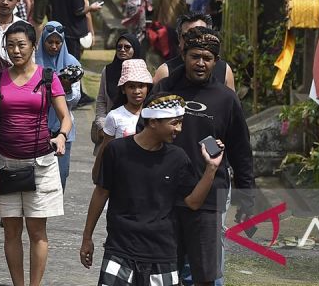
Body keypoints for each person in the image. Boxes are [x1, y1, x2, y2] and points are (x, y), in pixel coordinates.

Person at [80, 94, 224, 286]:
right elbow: (101, 192)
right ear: (153, 122)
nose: (179, 130)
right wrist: (87, 237)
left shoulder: (178, 158)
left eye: (180, 123)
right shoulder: (117, 150)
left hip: (162, 253)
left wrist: (211, 168)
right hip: (120, 249)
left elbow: (193, 202)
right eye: (175, 123)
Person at [155, 31, 254, 286]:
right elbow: (144, 136)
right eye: (195, 56)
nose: (201, 63)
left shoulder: (226, 99)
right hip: (165, 197)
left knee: (206, 276)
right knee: (162, 274)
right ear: (183, 56)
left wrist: (247, 197)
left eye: (208, 58)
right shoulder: (165, 90)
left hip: (208, 200)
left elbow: (241, 150)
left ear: (216, 61)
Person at [0, 21, 72, 286]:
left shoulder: (48, 77)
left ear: (33, 46)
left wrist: (60, 135)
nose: (15, 51)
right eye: (10, 45)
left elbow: (65, 117)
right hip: (6, 163)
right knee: (11, 232)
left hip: (42, 164)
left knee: (37, 232)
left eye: (21, 45)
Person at [91, 58, 154, 183]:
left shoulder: (154, 116)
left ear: (148, 88)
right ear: (123, 89)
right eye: (131, 87)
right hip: (120, 177)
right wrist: (97, 173)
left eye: (141, 86)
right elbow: (106, 148)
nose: (137, 91)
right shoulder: (114, 116)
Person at [37, 22, 83, 189]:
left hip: (63, 128)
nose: (54, 46)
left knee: (60, 177)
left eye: (58, 42)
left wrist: (66, 88)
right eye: (50, 42)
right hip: (37, 128)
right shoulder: (33, 62)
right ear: (43, 41)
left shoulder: (72, 63)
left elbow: (75, 100)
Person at [154, 16, 236, 92]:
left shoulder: (224, 70)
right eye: (187, 35)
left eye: (200, 34)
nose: (194, 39)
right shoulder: (166, 72)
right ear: (179, 39)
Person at [92, 32, 144, 146]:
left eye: (127, 47)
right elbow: (101, 100)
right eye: (119, 47)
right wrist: (102, 125)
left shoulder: (142, 74)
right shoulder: (108, 70)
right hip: (109, 130)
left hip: (135, 131)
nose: (122, 50)